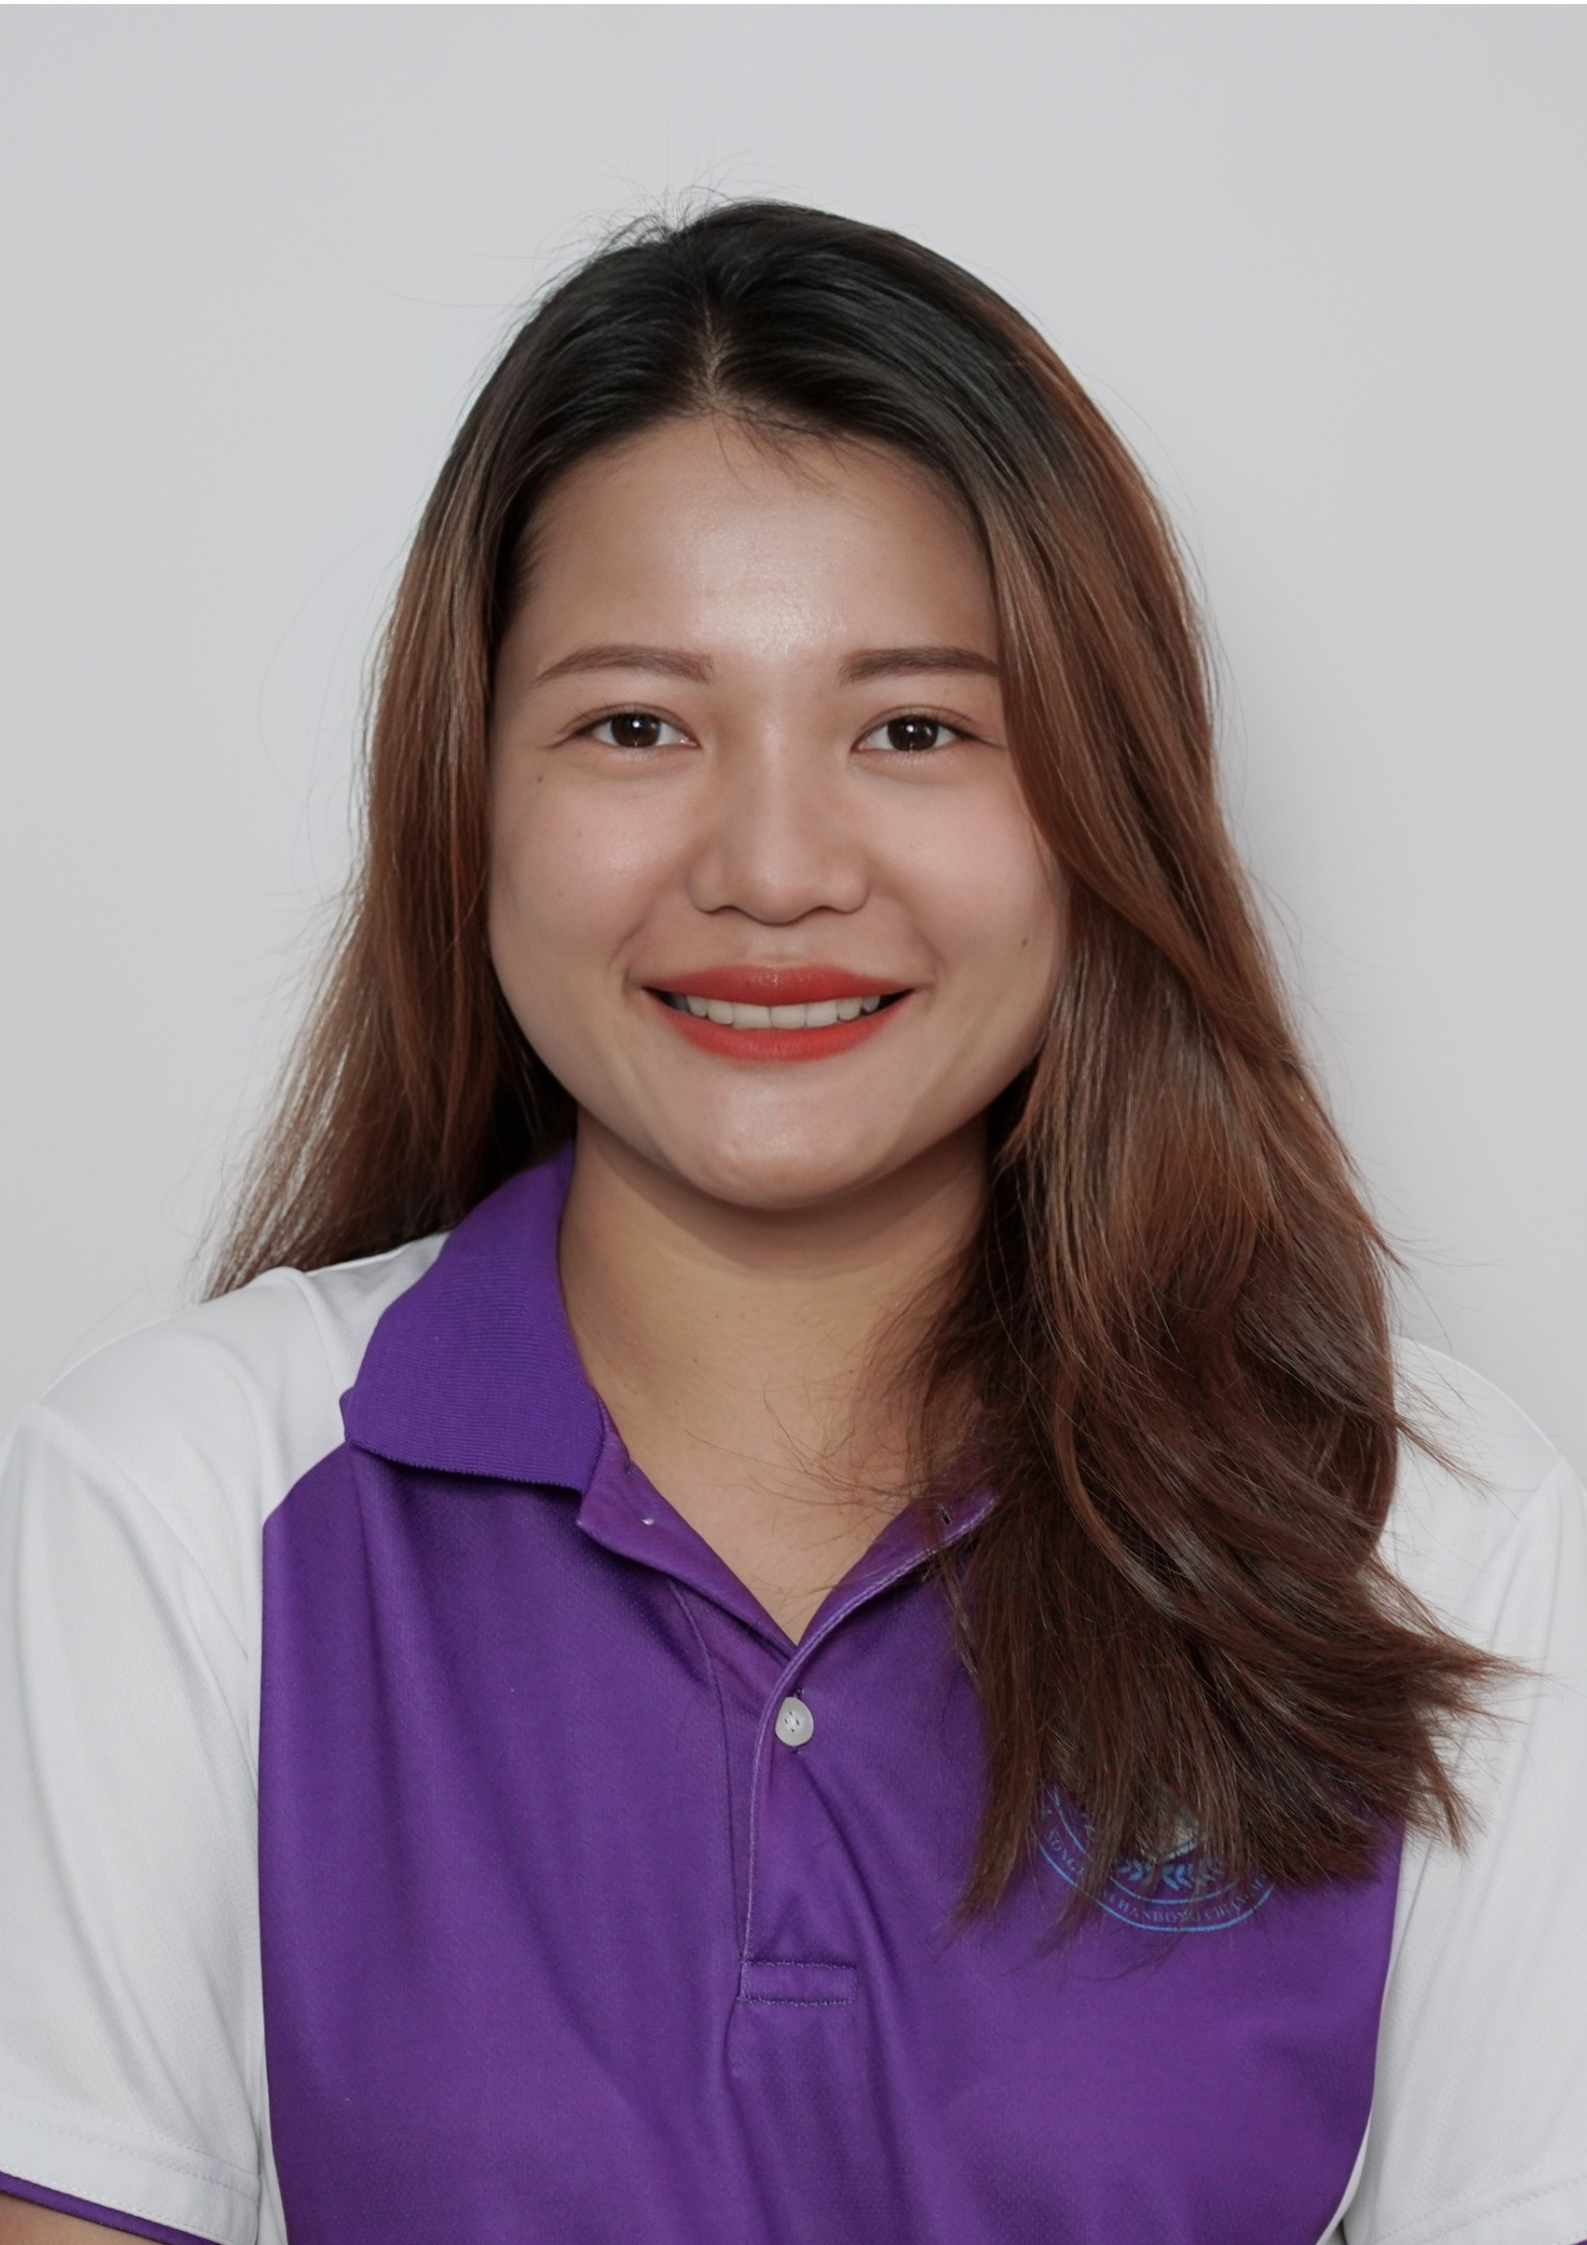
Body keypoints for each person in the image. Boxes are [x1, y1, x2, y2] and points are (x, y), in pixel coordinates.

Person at [1, 201, 1584, 2245]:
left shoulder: (1434, 1534)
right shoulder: (183, 1500)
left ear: (1100, 804)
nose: (770, 866)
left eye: (914, 728)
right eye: (635, 724)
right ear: (468, 795)